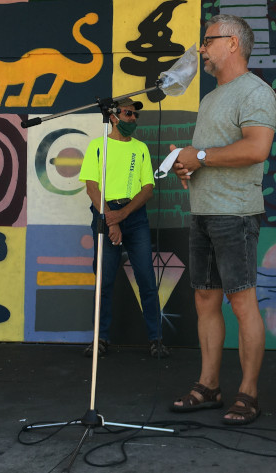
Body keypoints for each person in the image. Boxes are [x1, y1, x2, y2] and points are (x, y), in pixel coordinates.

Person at [168, 14, 276, 425]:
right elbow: (209, 154)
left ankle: (248, 393)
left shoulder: (256, 92)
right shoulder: (212, 97)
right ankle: (209, 385)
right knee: (205, 299)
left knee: (241, 302)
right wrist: (190, 167)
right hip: (203, 212)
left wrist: (198, 157)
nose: (201, 49)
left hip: (236, 215)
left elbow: (256, 149)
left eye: (208, 41)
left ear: (232, 43)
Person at [78, 98, 169, 358]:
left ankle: (156, 339)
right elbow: (92, 188)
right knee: (104, 283)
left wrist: (120, 217)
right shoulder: (98, 146)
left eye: (136, 116)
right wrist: (110, 219)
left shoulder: (140, 148)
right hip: (104, 216)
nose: (133, 119)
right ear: (114, 116)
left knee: (147, 281)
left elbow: (147, 189)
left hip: (134, 218)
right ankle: (101, 339)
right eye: (129, 114)